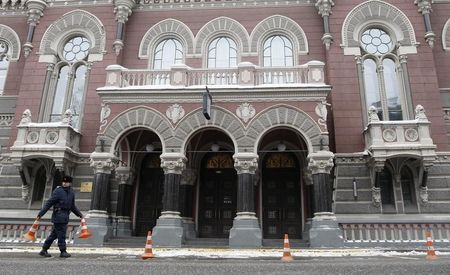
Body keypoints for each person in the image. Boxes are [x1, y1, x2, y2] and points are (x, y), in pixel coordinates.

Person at [36, 175, 83, 258]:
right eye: (64, 182)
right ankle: (63, 251)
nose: (64, 183)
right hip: (58, 216)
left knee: (54, 235)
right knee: (61, 234)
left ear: (70, 183)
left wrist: (79, 214)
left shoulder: (71, 192)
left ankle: (44, 250)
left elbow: (72, 206)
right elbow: (49, 203)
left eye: (67, 182)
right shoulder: (58, 191)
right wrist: (41, 213)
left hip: (65, 216)